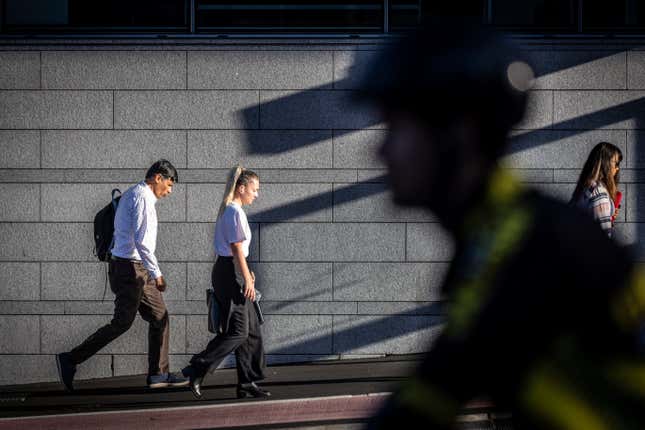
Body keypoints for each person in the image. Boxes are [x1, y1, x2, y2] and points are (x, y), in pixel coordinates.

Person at [357, 23, 645, 429]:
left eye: (398, 128)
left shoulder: (522, 250)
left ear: (461, 132)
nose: (380, 150)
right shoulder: (500, 237)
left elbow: (429, 395)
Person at [56, 160, 188, 391]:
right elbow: (143, 243)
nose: (169, 191)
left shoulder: (134, 194)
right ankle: (70, 359)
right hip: (131, 269)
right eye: (169, 184)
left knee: (160, 317)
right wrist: (157, 274)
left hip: (132, 268)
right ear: (157, 177)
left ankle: (158, 374)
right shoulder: (143, 198)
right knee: (122, 323)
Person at [182, 166, 269, 399]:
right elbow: (236, 248)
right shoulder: (233, 212)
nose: (256, 194)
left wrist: (248, 274)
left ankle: (247, 382)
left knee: (251, 329)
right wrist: (246, 278)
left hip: (234, 271)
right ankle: (197, 367)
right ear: (242, 188)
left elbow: (239, 250)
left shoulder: (232, 210)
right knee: (239, 331)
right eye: (254, 189)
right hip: (230, 273)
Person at [570, 142, 623, 238]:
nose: (617, 168)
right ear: (606, 164)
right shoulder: (600, 194)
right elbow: (603, 238)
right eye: (616, 163)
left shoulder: (588, 186)